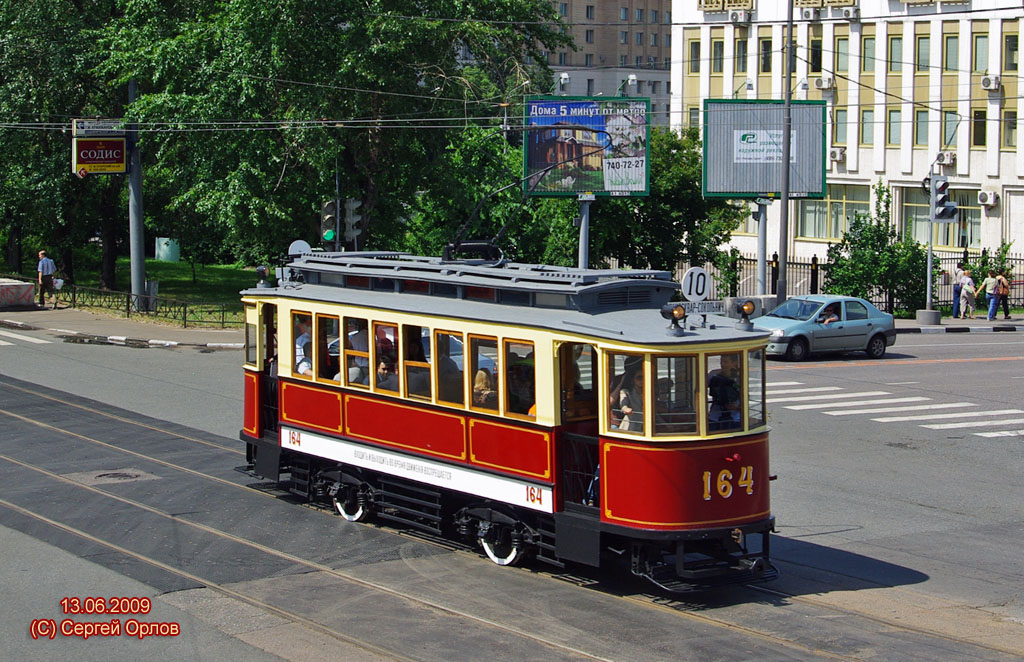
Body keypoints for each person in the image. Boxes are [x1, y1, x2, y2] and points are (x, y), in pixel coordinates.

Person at [708, 354, 741, 431]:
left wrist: (737, 407)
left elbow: (747, 399)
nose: (723, 365)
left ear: (735, 363)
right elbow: (699, 390)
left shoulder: (741, 376)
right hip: (715, 418)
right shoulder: (713, 375)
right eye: (721, 362)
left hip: (735, 419)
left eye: (726, 362)